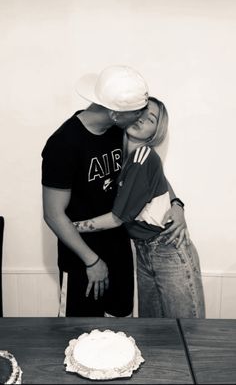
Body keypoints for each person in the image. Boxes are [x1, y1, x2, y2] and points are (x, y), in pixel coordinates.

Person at [41, 65, 188, 317]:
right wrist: (92, 261)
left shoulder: (117, 130)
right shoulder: (63, 145)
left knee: (120, 331)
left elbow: (152, 175)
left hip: (119, 251)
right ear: (115, 113)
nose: (142, 117)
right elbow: (53, 214)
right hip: (83, 261)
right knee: (81, 336)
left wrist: (176, 203)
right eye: (138, 112)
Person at [73, 97, 205, 318]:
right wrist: (176, 203)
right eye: (141, 112)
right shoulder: (118, 148)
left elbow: (117, 218)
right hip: (143, 250)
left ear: (156, 132)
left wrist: (70, 227)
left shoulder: (143, 156)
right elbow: (158, 181)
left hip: (168, 247)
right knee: (152, 331)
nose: (142, 119)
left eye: (151, 118)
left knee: (187, 331)